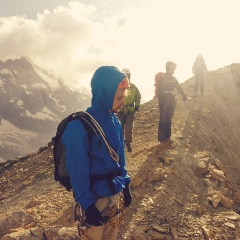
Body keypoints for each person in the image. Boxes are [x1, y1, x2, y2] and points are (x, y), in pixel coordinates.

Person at [62, 66, 132, 240]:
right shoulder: (79, 126)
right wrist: (87, 205)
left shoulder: (114, 120)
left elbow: (119, 157)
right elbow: (78, 170)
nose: (122, 103)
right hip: (94, 200)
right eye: (119, 98)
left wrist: (126, 183)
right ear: (105, 94)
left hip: (113, 194)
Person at [157, 61, 187, 148]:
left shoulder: (174, 79)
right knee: (163, 120)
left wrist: (183, 94)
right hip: (164, 100)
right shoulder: (162, 78)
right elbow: (159, 92)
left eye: (174, 68)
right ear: (168, 67)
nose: (173, 70)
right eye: (172, 68)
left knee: (168, 120)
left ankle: (167, 137)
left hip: (171, 100)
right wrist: (161, 103)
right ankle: (161, 139)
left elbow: (178, 87)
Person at [117, 68, 141, 153]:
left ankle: (128, 142)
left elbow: (138, 97)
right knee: (120, 127)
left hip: (130, 109)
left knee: (129, 128)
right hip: (121, 110)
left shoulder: (134, 87)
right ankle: (121, 144)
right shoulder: (119, 87)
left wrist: (137, 105)